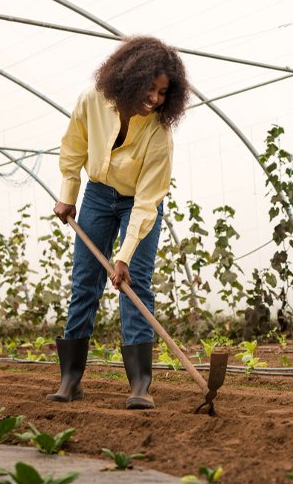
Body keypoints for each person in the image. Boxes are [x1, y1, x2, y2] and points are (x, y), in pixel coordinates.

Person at [47, 36, 190, 409]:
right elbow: (73, 148)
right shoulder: (92, 100)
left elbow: (147, 202)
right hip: (97, 194)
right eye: (151, 87)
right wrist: (68, 193)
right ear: (130, 76)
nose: (156, 98)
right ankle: (70, 380)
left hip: (137, 204)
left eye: (163, 92)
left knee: (136, 284)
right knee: (85, 284)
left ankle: (140, 385)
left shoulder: (159, 131)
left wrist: (124, 256)